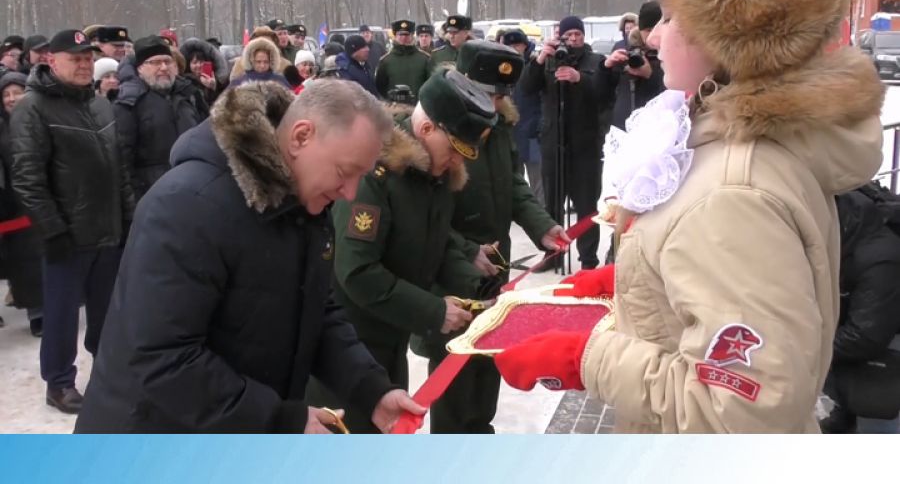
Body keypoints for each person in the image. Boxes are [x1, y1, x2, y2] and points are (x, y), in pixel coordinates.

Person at [493, 0, 885, 433]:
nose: (653, 36)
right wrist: (632, 283)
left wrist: (585, 358)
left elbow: (745, 410)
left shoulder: (731, 194)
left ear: (729, 36)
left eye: (673, 18)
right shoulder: (726, 147)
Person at [75, 80, 424, 433]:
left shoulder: (305, 205)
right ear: (301, 137)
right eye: (344, 172)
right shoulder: (188, 205)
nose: (350, 193)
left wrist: (370, 390)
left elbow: (318, 313)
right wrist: (277, 419)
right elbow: (159, 358)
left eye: (359, 177)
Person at [307, 67, 497, 432]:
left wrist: (480, 291)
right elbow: (357, 272)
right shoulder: (376, 175)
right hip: (347, 350)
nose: (459, 161)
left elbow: (434, 244)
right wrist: (432, 311)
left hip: (390, 342)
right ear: (426, 129)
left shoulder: (436, 176)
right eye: (455, 149)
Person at [420, 40, 568, 433]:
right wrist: (466, 250)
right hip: (451, 270)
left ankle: (479, 434)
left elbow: (514, 186)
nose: (498, 101)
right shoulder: (438, 127)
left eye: (503, 93)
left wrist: (543, 226)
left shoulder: (500, 127)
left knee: (488, 355)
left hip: (494, 268)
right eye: (489, 93)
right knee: (455, 365)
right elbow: (425, 217)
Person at [10, 29, 135, 414]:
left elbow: (118, 169)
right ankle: (59, 382)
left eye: (87, 58)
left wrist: (129, 217)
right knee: (62, 315)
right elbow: (27, 178)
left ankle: (107, 373)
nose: (83, 64)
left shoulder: (100, 104)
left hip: (108, 230)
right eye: (74, 58)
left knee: (106, 312)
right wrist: (53, 229)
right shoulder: (34, 107)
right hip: (67, 234)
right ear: (52, 60)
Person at [519, 16, 608, 271]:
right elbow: (526, 87)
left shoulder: (595, 61)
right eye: (567, 35)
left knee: (586, 205)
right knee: (552, 205)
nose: (572, 40)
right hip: (552, 142)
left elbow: (604, 92)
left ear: (583, 36)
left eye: (577, 35)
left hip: (585, 145)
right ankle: (552, 255)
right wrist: (539, 59)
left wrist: (579, 78)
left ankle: (588, 260)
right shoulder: (548, 59)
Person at [819, 185, 900, 434]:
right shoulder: (840, 240)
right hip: (843, 350)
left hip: (882, 358)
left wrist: (805, 349)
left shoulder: (881, 257)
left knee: (878, 424)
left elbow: (866, 337)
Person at [114, 36, 207, 202]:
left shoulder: (190, 94)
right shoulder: (129, 103)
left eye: (167, 61)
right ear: (140, 68)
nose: (164, 68)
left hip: (195, 189)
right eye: (155, 63)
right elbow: (123, 162)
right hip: (152, 195)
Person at [0, 71, 43, 337]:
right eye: (6, 94)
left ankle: (38, 313)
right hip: (7, 203)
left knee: (31, 260)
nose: (12, 98)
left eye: (17, 92)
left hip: (32, 203)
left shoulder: (38, 121)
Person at [599, 1, 666, 130]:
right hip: (623, 128)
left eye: (657, 29)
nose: (652, 35)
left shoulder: (671, 53)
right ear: (640, 30)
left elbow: (677, 95)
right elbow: (601, 94)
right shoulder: (625, 49)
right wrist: (606, 67)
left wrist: (650, 75)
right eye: (648, 30)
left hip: (656, 130)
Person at [503, 29, 544, 204]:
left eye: (516, 45)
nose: (513, 49)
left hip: (533, 130)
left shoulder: (534, 65)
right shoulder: (502, 67)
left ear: (524, 45)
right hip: (511, 131)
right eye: (509, 45)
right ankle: (516, 208)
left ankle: (540, 211)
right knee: (514, 176)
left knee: (538, 179)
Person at [374, 20, 432, 98]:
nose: (404, 37)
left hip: (418, 106)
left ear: (412, 35)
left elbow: (430, 84)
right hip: (395, 107)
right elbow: (380, 86)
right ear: (395, 36)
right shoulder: (386, 61)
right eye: (400, 34)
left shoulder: (425, 59)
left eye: (407, 34)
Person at [180, 37, 229, 106]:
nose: (199, 65)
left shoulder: (218, 80)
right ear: (188, 64)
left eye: (202, 62)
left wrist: (214, 88)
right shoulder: (183, 82)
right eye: (195, 62)